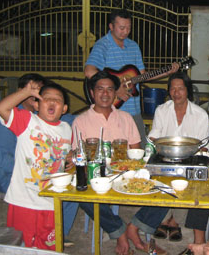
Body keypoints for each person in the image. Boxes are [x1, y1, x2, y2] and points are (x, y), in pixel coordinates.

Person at [72, 70, 168, 255]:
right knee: (81, 194)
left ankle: (135, 226)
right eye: (100, 89)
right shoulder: (80, 121)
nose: (105, 94)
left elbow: (136, 153)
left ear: (116, 92)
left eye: (110, 89)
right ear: (92, 92)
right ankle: (120, 231)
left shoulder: (126, 118)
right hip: (96, 176)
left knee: (167, 188)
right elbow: (78, 158)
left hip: (126, 173)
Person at [0, 73, 78, 246]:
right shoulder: (27, 121)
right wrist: (25, 92)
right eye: (46, 99)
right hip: (24, 200)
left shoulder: (66, 128)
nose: (51, 102)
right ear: (36, 103)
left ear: (64, 108)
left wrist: (70, 156)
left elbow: (60, 151)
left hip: (51, 199)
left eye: (57, 100)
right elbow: (2, 109)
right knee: (22, 247)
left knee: (49, 245)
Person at [84, 9, 178, 147]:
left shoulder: (133, 46)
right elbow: (89, 71)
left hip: (134, 110)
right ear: (111, 26)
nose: (125, 31)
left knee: (138, 149)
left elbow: (141, 76)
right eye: (122, 28)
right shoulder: (102, 46)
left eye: (128, 28)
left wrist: (166, 72)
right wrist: (114, 90)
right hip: (111, 111)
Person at [148, 72, 209, 248]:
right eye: (172, 89)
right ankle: (169, 219)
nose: (176, 93)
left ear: (188, 90)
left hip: (190, 158)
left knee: (193, 183)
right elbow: (154, 137)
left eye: (180, 88)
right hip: (165, 156)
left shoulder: (200, 114)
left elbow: (203, 145)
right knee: (157, 179)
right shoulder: (161, 110)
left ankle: (172, 220)